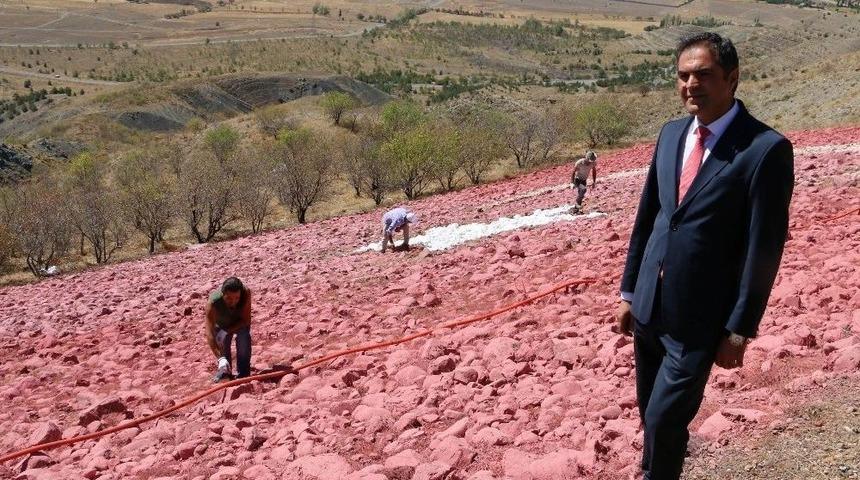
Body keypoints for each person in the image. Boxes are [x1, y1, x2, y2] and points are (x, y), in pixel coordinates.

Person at [616, 32, 794, 480]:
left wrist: (740, 329)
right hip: (650, 307)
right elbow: (650, 217)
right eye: (683, 76)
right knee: (651, 416)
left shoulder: (764, 149)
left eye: (703, 74)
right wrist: (629, 291)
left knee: (664, 419)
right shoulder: (672, 134)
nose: (690, 85)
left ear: (732, 78)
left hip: (700, 320)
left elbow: (764, 247)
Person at [206, 277, 253, 382]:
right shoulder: (213, 303)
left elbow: (246, 321)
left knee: (243, 339)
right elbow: (209, 332)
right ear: (223, 294)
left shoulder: (246, 293)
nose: (233, 302)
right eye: (229, 298)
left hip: (239, 323)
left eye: (237, 298)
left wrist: (226, 331)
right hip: (222, 325)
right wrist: (220, 358)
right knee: (222, 344)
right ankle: (225, 372)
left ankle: (244, 374)